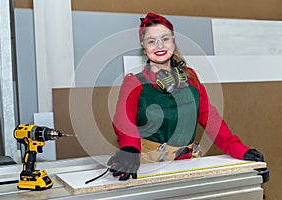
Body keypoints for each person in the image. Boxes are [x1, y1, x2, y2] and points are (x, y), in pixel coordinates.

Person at [108, 12, 264, 181]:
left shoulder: (191, 78)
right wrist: (130, 150)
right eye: (151, 41)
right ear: (144, 47)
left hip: (188, 165)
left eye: (165, 39)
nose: (159, 45)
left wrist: (240, 149)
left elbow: (210, 119)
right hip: (150, 168)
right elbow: (124, 119)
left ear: (173, 41)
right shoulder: (134, 83)